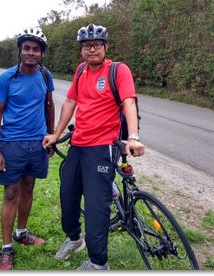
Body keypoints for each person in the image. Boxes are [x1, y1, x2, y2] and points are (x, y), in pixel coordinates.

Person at [43, 23, 145, 270]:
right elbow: (70, 102)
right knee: (67, 197)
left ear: (105, 47)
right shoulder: (80, 71)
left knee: (95, 208)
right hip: (78, 144)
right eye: (86, 46)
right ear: (81, 50)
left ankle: (99, 263)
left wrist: (133, 136)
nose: (91, 50)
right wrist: (56, 133)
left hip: (102, 147)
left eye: (96, 45)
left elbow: (129, 102)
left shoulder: (118, 71)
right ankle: (75, 238)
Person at [0, 27, 55, 270]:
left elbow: (48, 106)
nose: (30, 52)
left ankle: (22, 233)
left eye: (35, 49)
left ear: (41, 54)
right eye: (26, 48)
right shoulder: (7, 78)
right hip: (12, 144)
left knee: (28, 186)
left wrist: (51, 135)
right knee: (10, 193)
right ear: (20, 51)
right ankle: (6, 249)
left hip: (37, 143)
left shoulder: (45, 75)